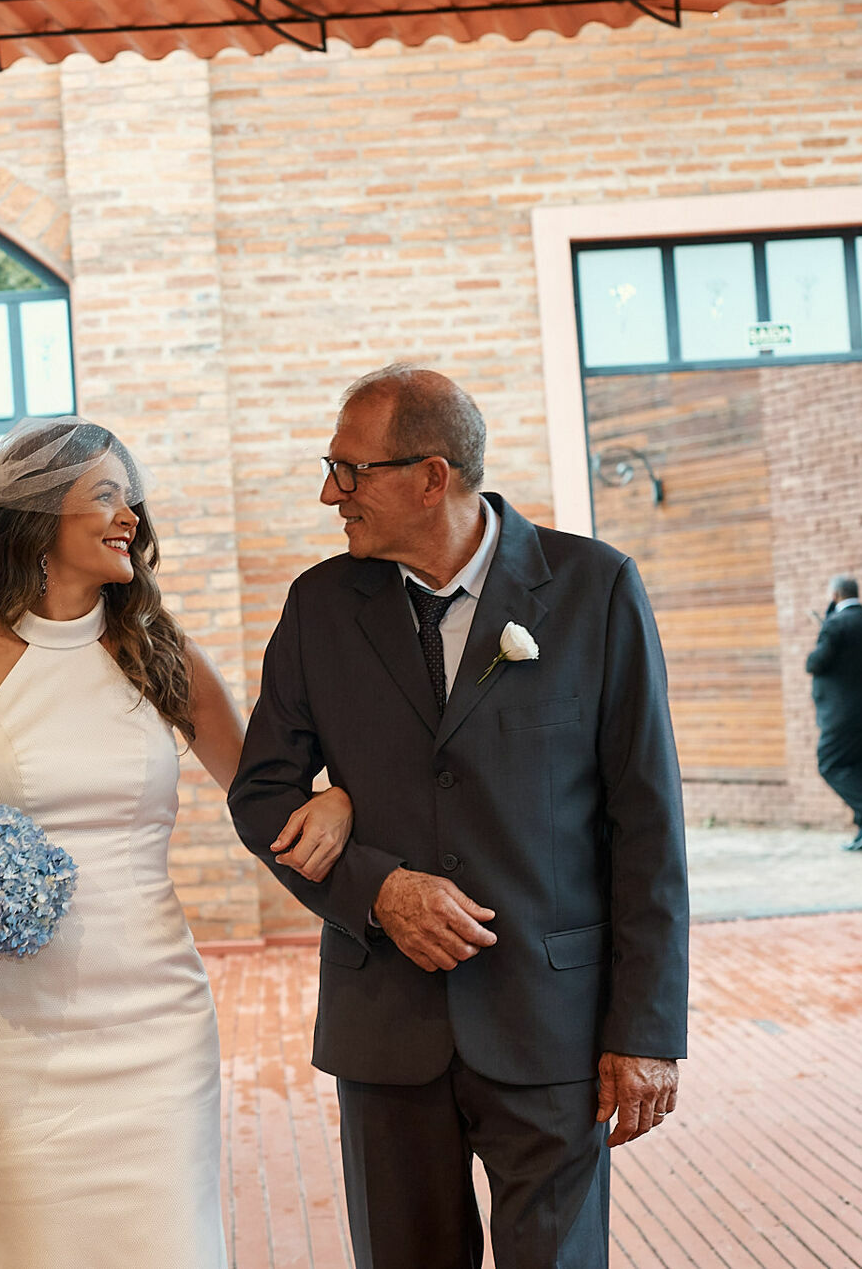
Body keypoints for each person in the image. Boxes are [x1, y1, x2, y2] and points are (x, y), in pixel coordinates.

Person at [0, 416, 354, 1268]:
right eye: (104, 498)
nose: (129, 516)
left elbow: (261, 795)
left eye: (131, 500)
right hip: (15, 1025)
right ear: (39, 519)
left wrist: (339, 800)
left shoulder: (164, 656)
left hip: (156, 1022)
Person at [229, 364, 689, 1269]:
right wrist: (380, 888)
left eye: (350, 471)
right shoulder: (321, 606)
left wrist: (646, 1033)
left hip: (552, 1025)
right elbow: (261, 795)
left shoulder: (594, 590)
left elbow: (648, 827)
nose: (332, 493)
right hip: (385, 1032)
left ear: (431, 478)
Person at [807, 574, 862, 852]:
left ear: (835, 595)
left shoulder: (834, 626)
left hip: (840, 713)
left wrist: (824, 628)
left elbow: (816, 663)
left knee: (829, 764)